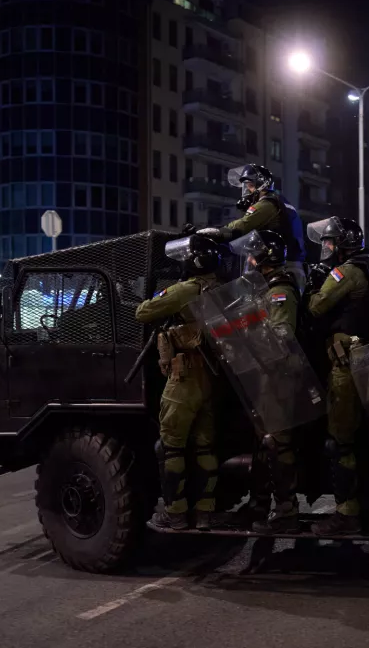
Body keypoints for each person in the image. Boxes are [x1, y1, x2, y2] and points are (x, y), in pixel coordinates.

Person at [136, 235, 224, 531]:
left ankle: (176, 513)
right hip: (211, 378)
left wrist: (165, 294)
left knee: (171, 447)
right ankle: (205, 512)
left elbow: (143, 312)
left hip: (184, 376)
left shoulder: (187, 290)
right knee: (205, 447)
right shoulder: (220, 288)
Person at [305, 217, 369, 536]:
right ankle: (366, 503)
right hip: (364, 362)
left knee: (341, 439)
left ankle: (346, 513)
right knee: (360, 437)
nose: (326, 248)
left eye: (330, 242)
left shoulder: (347, 271)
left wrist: (314, 284)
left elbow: (316, 307)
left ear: (343, 245)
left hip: (346, 366)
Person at [226, 230, 304, 534]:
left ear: (267, 257)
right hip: (264, 373)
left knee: (278, 442)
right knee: (262, 443)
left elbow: (281, 336)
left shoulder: (279, 291)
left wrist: (248, 334)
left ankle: (287, 509)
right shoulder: (263, 288)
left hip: (278, 375)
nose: (249, 259)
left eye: (254, 254)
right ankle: (259, 504)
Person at [195, 164, 307, 287]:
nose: (247, 191)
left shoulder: (267, 204)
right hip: (290, 265)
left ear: (262, 185)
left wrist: (217, 232)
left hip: (280, 268)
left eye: (250, 186)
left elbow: (242, 226)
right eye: (246, 187)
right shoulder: (281, 201)